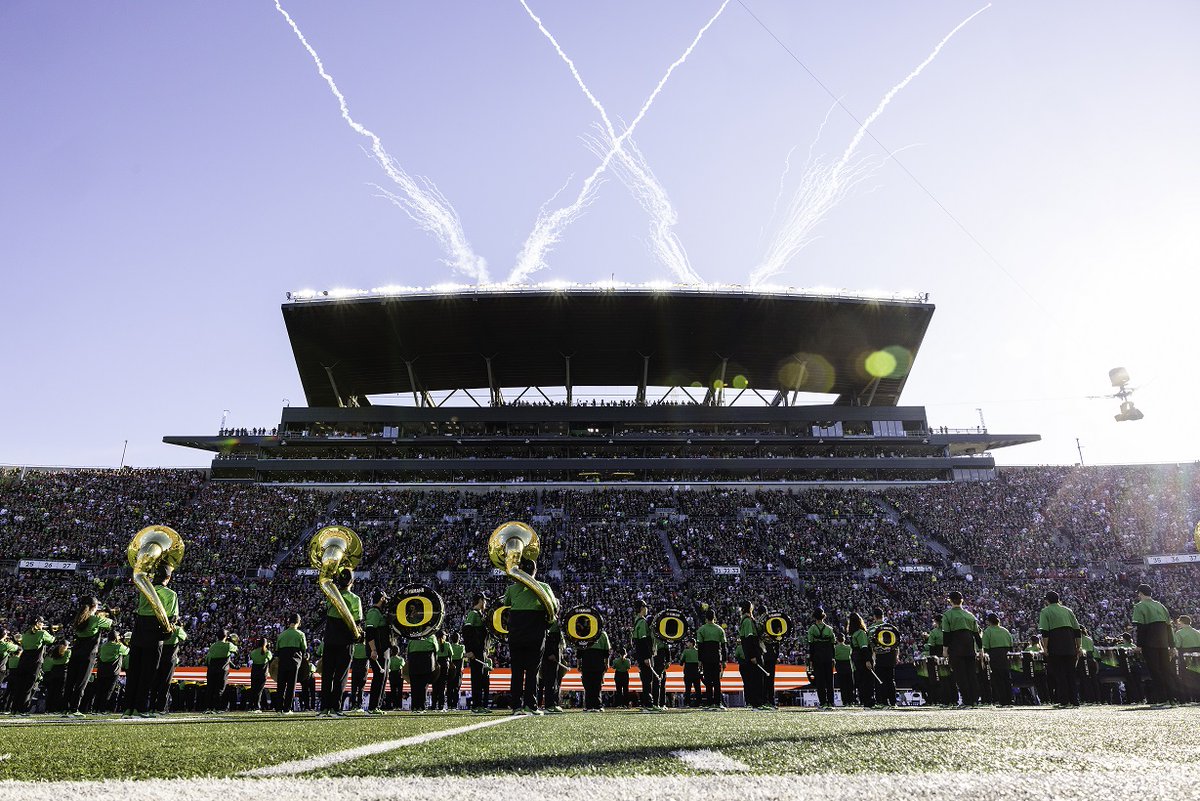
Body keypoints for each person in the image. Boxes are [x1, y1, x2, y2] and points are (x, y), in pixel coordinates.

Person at [504, 560, 558, 716]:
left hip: (516, 633)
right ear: (535, 570)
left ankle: (516, 707)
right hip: (536, 632)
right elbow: (553, 609)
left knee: (517, 671)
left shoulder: (512, 588)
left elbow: (504, 602)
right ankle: (530, 706)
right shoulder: (544, 587)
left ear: (520, 570)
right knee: (532, 671)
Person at [125, 564, 179, 718]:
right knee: (148, 673)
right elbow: (172, 618)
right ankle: (141, 708)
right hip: (155, 632)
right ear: (167, 578)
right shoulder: (171, 594)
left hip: (139, 629)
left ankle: (128, 708)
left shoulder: (144, 590)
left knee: (134, 671)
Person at [319, 569, 362, 718]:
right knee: (341, 675)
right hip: (346, 640)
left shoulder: (331, 596)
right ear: (352, 582)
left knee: (327, 674)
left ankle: (324, 708)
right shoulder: (355, 599)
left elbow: (325, 611)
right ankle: (336, 708)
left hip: (330, 638)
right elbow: (357, 621)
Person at [62, 597, 114, 717]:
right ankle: (74, 709)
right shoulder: (95, 619)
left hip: (76, 653)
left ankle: (65, 709)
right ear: (94, 607)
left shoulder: (78, 619)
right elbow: (113, 623)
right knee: (81, 683)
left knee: (70, 682)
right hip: (88, 655)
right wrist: (110, 611)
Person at [1038, 591, 1082, 708]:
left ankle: (1064, 701)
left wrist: (1045, 648)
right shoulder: (1068, 611)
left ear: (1047, 601)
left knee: (1060, 674)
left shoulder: (1045, 611)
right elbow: (1077, 630)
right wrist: (1079, 646)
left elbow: (1045, 632)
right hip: (1070, 645)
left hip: (1055, 645)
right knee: (1071, 674)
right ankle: (1074, 701)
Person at [1132, 583, 1175, 704]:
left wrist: (1139, 645)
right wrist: (1172, 646)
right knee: (1166, 670)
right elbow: (1169, 627)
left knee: (1155, 671)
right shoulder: (1161, 606)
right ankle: (1172, 698)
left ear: (1140, 593)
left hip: (1149, 643)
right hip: (1163, 643)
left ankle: (1162, 699)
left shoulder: (1139, 606)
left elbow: (1141, 627)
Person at [941, 591, 982, 708]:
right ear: (962, 600)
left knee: (961, 675)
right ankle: (974, 700)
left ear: (950, 601)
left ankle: (967, 700)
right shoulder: (970, 615)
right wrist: (981, 649)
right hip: (970, 647)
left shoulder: (947, 615)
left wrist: (945, 650)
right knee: (971, 675)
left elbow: (947, 635)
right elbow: (977, 635)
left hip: (956, 647)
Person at [10, 618, 55, 715]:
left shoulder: (25, 634)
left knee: (20, 685)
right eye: (42, 623)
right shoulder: (42, 633)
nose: (43, 624)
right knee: (29, 686)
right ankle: (23, 709)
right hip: (34, 662)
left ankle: (14, 708)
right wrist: (51, 630)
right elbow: (52, 640)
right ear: (38, 623)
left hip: (23, 661)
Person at [462, 594, 492, 714]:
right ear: (480, 600)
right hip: (475, 652)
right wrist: (469, 651)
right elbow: (466, 630)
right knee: (477, 679)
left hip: (480, 652)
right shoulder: (473, 614)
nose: (486, 603)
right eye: (485, 600)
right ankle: (476, 706)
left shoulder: (479, 614)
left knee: (481, 679)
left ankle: (480, 705)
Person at [363, 591, 392, 715]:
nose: (386, 601)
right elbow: (369, 632)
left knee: (383, 677)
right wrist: (373, 650)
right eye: (385, 599)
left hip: (382, 650)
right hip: (378, 650)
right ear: (381, 599)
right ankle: (372, 707)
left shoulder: (379, 613)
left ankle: (377, 706)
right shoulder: (373, 612)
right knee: (379, 677)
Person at [152, 618, 187, 714]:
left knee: (155, 683)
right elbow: (184, 637)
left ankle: (151, 707)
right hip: (169, 660)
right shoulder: (177, 629)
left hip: (157, 658)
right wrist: (179, 628)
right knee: (165, 683)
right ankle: (161, 708)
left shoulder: (160, 627)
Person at [275, 613, 307, 715]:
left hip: (283, 661)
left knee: (281, 685)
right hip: (294, 662)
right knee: (291, 686)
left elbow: (277, 650)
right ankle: (287, 709)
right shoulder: (300, 634)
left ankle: (278, 708)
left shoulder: (281, 634)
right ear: (298, 622)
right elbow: (304, 649)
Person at [695, 608, 726, 709]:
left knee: (708, 681)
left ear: (705, 618)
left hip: (706, 658)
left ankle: (709, 703)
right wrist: (724, 660)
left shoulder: (701, 629)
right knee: (717, 681)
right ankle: (718, 703)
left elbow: (700, 646)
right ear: (714, 617)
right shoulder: (720, 629)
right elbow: (723, 647)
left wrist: (699, 660)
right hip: (716, 657)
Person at [867, 607, 898, 707]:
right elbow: (896, 643)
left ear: (874, 617)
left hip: (880, 656)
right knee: (890, 679)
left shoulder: (871, 628)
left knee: (880, 680)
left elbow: (870, 645)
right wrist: (896, 656)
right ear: (883, 615)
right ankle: (893, 702)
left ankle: (883, 701)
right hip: (891, 655)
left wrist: (871, 658)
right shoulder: (892, 627)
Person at [738, 601, 767, 710]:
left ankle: (756, 702)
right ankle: (757, 703)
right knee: (757, 678)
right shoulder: (747, 621)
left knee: (755, 678)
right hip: (754, 652)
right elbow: (749, 640)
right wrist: (752, 656)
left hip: (752, 652)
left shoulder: (747, 620)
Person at [632, 600, 659, 713]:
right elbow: (644, 641)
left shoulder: (637, 621)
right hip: (645, 655)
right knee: (648, 679)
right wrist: (647, 656)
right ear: (641, 608)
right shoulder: (642, 622)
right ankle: (648, 704)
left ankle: (646, 703)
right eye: (645, 606)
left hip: (640, 654)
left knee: (645, 679)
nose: (647, 608)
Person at [981, 613, 1014, 706]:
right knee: (1007, 679)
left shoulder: (988, 631)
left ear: (989, 621)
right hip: (1006, 655)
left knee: (998, 680)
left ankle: (1002, 701)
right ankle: (1010, 700)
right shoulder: (1005, 631)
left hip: (994, 656)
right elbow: (1011, 645)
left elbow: (985, 647)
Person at [806, 609, 836, 709]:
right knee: (829, 681)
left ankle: (822, 702)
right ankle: (831, 702)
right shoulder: (829, 629)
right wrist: (833, 657)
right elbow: (832, 645)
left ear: (814, 617)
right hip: (828, 656)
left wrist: (811, 660)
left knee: (820, 681)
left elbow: (811, 645)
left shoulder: (812, 629)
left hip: (817, 657)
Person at [92, 629, 127, 713]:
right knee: (108, 690)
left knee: (100, 689)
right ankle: (102, 709)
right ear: (116, 637)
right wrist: (121, 642)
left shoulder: (103, 646)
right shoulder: (118, 646)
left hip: (101, 670)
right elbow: (127, 651)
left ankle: (95, 708)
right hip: (113, 671)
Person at [205, 631, 238, 713]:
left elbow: (207, 659)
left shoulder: (212, 646)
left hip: (211, 669)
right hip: (222, 670)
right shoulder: (228, 645)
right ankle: (218, 708)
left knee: (210, 688)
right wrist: (231, 642)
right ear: (226, 636)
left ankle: (209, 708)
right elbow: (236, 651)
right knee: (220, 689)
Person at [580, 627, 611, 712]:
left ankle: (590, 705)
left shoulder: (584, 632)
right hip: (597, 661)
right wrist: (607, 663)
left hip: (588, 660)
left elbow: (579, 650)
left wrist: (579, 663)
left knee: (590, 684)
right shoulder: (603, 634)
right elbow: (607, 650)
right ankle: (597, 705)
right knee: (595, 684)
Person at [848, 613, 875, 708]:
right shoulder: (860, 633)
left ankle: (863, 700)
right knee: (867, 680)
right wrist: (868, 660)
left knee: (861, 680)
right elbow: (864, 648)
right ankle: (869, 700)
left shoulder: (853, 634)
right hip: (863, 659)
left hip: (856, 660)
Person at [406, 632, 437, 713]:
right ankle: (421, 706)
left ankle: (414, 707)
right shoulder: (431, 636)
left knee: (414, 686)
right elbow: (436, 650)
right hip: (426, 661)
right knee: (423, 686)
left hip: (413, 661)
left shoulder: (412, 636)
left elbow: (408, 652)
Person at [539, 618, 565, 713]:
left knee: (554, 680)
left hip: (554, 654)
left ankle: (553, 703)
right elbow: (546, 639)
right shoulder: (550, 622)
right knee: (550, 681)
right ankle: (550, 704)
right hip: (551, 655)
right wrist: (549, 653)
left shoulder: (554, 621)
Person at [1173, 615, 1200, 702]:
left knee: (1186, 676)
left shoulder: (1179, 633)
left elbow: (1177, 645)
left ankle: (1188, 698)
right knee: (1197, 675)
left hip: (1186, 655)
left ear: (1181, 622)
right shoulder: (1197, 632)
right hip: (1198, 654)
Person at [42, 640, 72, 713]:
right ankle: (58, 708)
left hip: (54, 671)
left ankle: (49, 708)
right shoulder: (68, 652)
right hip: (62, 671)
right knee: (60, 691)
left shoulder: (54, 651)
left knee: (52, 691)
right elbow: (67, 660)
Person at [247, 637, 273, 712]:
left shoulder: (253, 652)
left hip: (254, 672)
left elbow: (252, 658)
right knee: (259, 690)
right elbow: (270, 659)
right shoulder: (267, 652)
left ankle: (251, 706)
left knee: (253, 689)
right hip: (263, 673)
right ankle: (256, 707)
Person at [833, 631, 856, 707]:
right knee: (850, 685)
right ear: (844, 639)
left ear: (837, 639)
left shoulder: (835, 648)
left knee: (843, 686)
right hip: (848, 667)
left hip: (839, 667)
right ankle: (851, 701)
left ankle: (845, 701)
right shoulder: (849, 648)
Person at [444, 632, 465, 712]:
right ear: (459, 639)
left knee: (449, 688)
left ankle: (449, 705)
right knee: (456, 689)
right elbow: (463, 656)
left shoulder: (449, 646)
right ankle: (454, 705)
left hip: (449, 670)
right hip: (458, 670)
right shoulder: (461, 647)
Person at [680, 638, 702, 708]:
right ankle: (698, 703)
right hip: (696, 670)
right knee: (697, 688)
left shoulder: (686, 651)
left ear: (691, 643)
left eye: (688, 642)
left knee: (688, 688)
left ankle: (687, 703)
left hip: (688, 670)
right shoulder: (698, 651)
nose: (687, 644)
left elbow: (681, 661)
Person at [349, 640, 369, 712]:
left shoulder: (354, 646)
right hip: (363, 669)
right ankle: (359, 706)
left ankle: (353, 705)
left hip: (355, 668)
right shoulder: (367, 647)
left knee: (353, 688)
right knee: (361, 689)